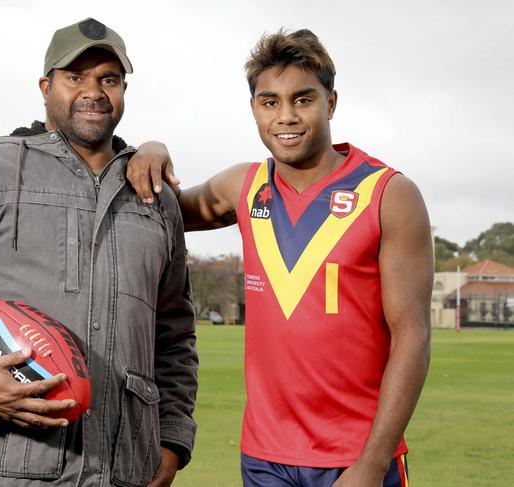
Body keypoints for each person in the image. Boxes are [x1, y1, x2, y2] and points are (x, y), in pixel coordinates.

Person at [0, 18, 197, 487]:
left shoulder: (156, 198)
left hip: (127, 472)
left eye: (109, 80)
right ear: (45, 85)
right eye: (75, 77)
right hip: (9, 469)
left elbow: (174, 336)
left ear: (123, 90)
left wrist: (173, 442)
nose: (93, 92)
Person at [127, 28, 433, 486]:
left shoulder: (388, 194)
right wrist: (151, 149)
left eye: (303, 100)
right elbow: (156, 208)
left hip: (354, 458)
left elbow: (412, 335)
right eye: (270, 102)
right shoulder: (244, 185)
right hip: (265, 457)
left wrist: (372, 462)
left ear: (331, 102)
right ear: (254, 108)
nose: (285, 116)